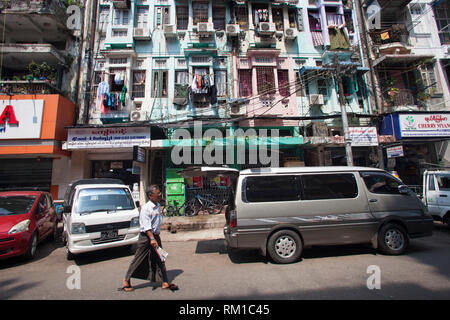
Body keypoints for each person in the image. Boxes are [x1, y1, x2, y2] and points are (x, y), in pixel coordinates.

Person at [119, 185, 179, 292]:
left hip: (155, 236)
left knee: (161, 258)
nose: (160, 194)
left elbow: (156, 222)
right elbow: (147, 226)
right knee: (138, 258)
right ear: (151, 196)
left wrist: (157, 235)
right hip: (146, 237)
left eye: (160, 192)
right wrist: (152, 239)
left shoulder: (158, 205)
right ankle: (126, 280)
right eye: (158, 193)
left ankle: (165, 281)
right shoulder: (146, 209)